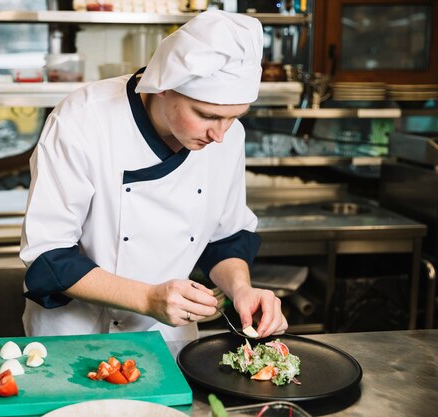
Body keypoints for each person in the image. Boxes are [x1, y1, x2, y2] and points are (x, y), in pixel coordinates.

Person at [20, 10, 288, 342]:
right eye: (207, 115)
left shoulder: (229, 135)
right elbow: (50, 256)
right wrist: (147, 298)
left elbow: (225, 238)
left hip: (170, 337)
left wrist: (241, 289)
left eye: (234, 117)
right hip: (77, 336)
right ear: (163, 86)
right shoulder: (81, 122)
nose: (220, 135)